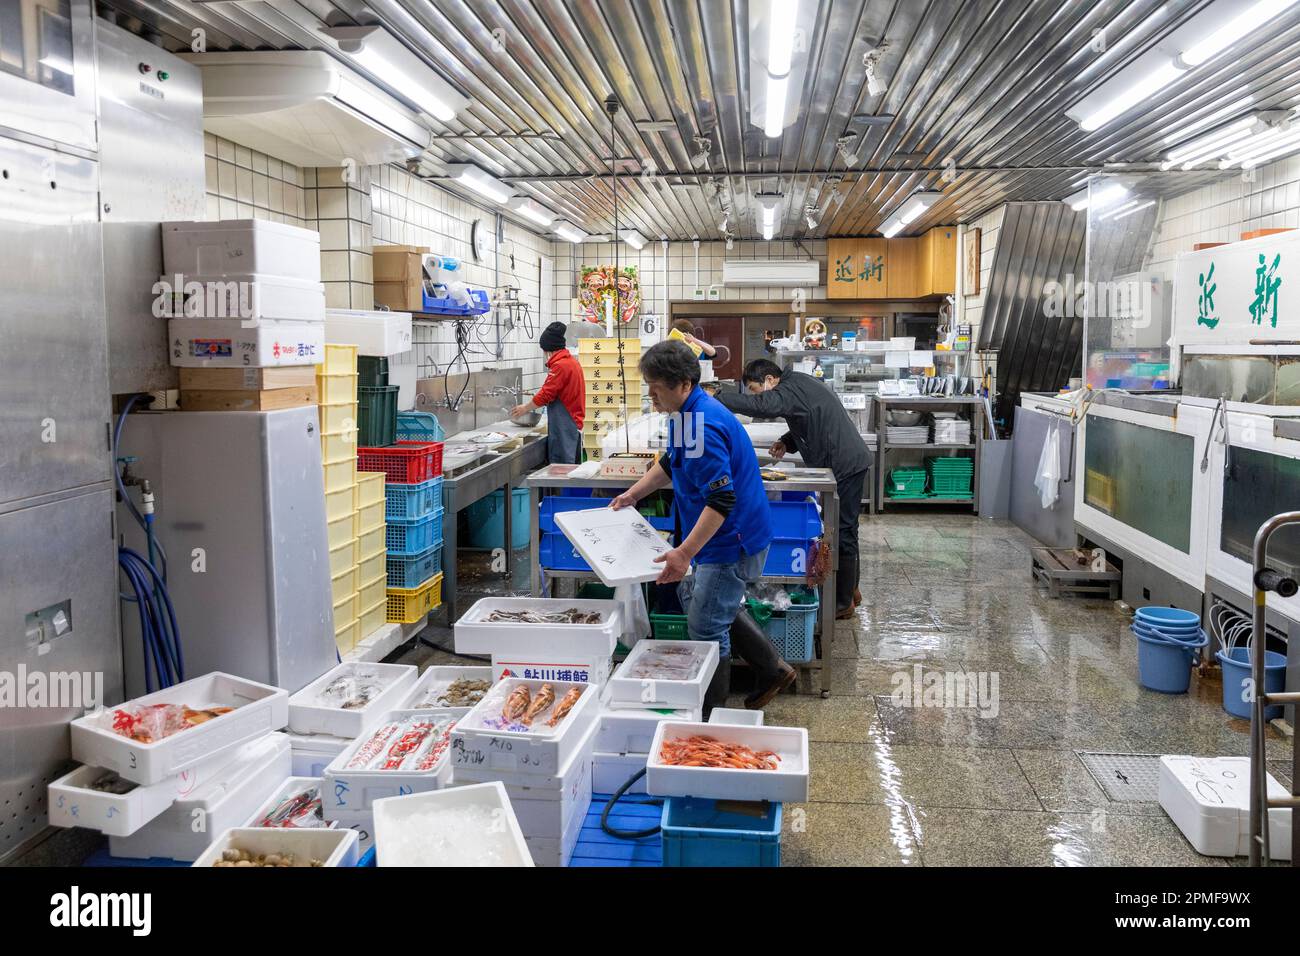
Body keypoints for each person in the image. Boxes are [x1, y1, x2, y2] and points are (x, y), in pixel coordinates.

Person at [610, 340, 796, 713]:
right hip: (726, 534)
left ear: (682, 384)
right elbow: (669, 461)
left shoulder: (703, 426)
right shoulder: (686, 415)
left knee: (706, 627)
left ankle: (708, 718)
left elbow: (721, 501)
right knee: (710, 604)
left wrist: (683, 554)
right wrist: (632, 495)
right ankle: (772, 669)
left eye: (657, 388)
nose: (651, 395)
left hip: (731, 538)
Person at [716, 357, 871, 620]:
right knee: (845, 529)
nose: (755, 395)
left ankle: (843, 602)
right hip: (844, 461)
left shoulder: (789, 387)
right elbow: (808, 418)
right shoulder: (797, 384)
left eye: (754, 389)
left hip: (845, 463)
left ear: (769, 380)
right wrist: (787, 441)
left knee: (842, 530)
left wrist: (717, 398)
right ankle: (850, 590)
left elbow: (762, 406)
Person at [512, 321, 586, 464]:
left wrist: (524, 408)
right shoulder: (571, 362)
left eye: (544, 350)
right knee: (570, 467)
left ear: (549, 349)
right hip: (573, 423)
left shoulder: (561, 366)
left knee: (562, 468)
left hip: (565, 425)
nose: (544, 354)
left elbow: (546, 394)